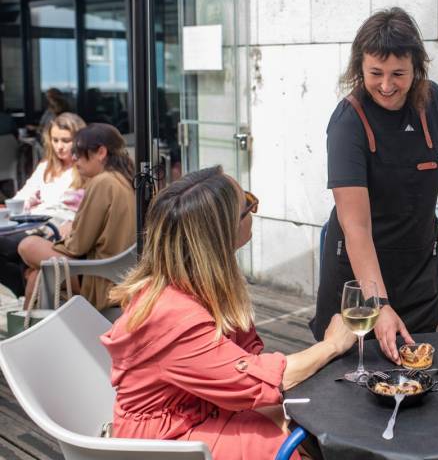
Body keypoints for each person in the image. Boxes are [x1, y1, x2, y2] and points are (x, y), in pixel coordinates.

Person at [101, 166, 356, 460]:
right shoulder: (171, 316)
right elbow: (254, 380)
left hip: (203, 409)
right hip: (165, 443)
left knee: (306, 425)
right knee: (302, 440)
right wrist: (333, 345)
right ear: (222, 233)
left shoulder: (199, 282)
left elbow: (246, 364)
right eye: (248, 205)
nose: (254, 210)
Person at [310, 7, 438, 364]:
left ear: (417, 68)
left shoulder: (432, 99)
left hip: (418, 271)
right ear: (359, 69)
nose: (386, 85)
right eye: (375, 73)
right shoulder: (348, 123)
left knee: (423, 372)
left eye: (398, 73)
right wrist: (377, 303)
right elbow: (356, 227)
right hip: (359, 282)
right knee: (356, 383)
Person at [18, 123, 136, 310]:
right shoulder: (127, 178)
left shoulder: (103, 182)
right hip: (119, 271)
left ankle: (27, 334)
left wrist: (65, 235)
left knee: (28, 245)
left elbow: (78, 245)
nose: (74, 159)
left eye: (79, 153)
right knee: (36, 275)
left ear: (101, 152)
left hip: (101, 275)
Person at [0, 112, 86, 297]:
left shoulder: (85, 168)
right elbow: (23, 196)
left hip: (59, 228)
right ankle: (28, 274)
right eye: (55, 140)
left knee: (13, 245)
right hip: (34, 222)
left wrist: (75, 223)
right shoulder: (47, 166)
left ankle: (30, 276)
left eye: (65, 140)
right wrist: (15, 208)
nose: (59, 147)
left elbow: (90, 208)